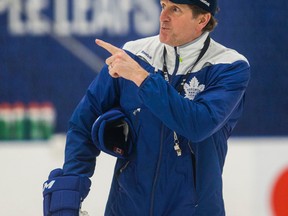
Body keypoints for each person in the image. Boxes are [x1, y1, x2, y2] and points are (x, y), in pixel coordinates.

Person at [42, 0, 250, 215]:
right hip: (125, 208)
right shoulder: (134, 54)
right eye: (163, 6)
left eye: (175, 9)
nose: (163, 17)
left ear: (202, 19)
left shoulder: (230, 67)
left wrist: (142, 78)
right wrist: (69, 188)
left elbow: (198, 125)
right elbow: (83, 121)